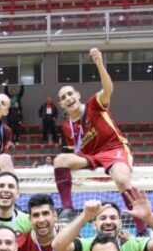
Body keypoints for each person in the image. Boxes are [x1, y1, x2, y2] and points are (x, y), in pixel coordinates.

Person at [52, 48, 136, 224]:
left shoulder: (93, 105)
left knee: (122, 180)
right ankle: (67, 209)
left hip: (113, 149)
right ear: (61, 105)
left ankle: (141, 226)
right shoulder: (67, 126)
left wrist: (99, 64)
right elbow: (77, 150)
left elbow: (108, 89)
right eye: (63, 97)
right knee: (60, 160)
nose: (68, 98)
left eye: (70, 94)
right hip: (91, 157)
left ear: (77, 95)